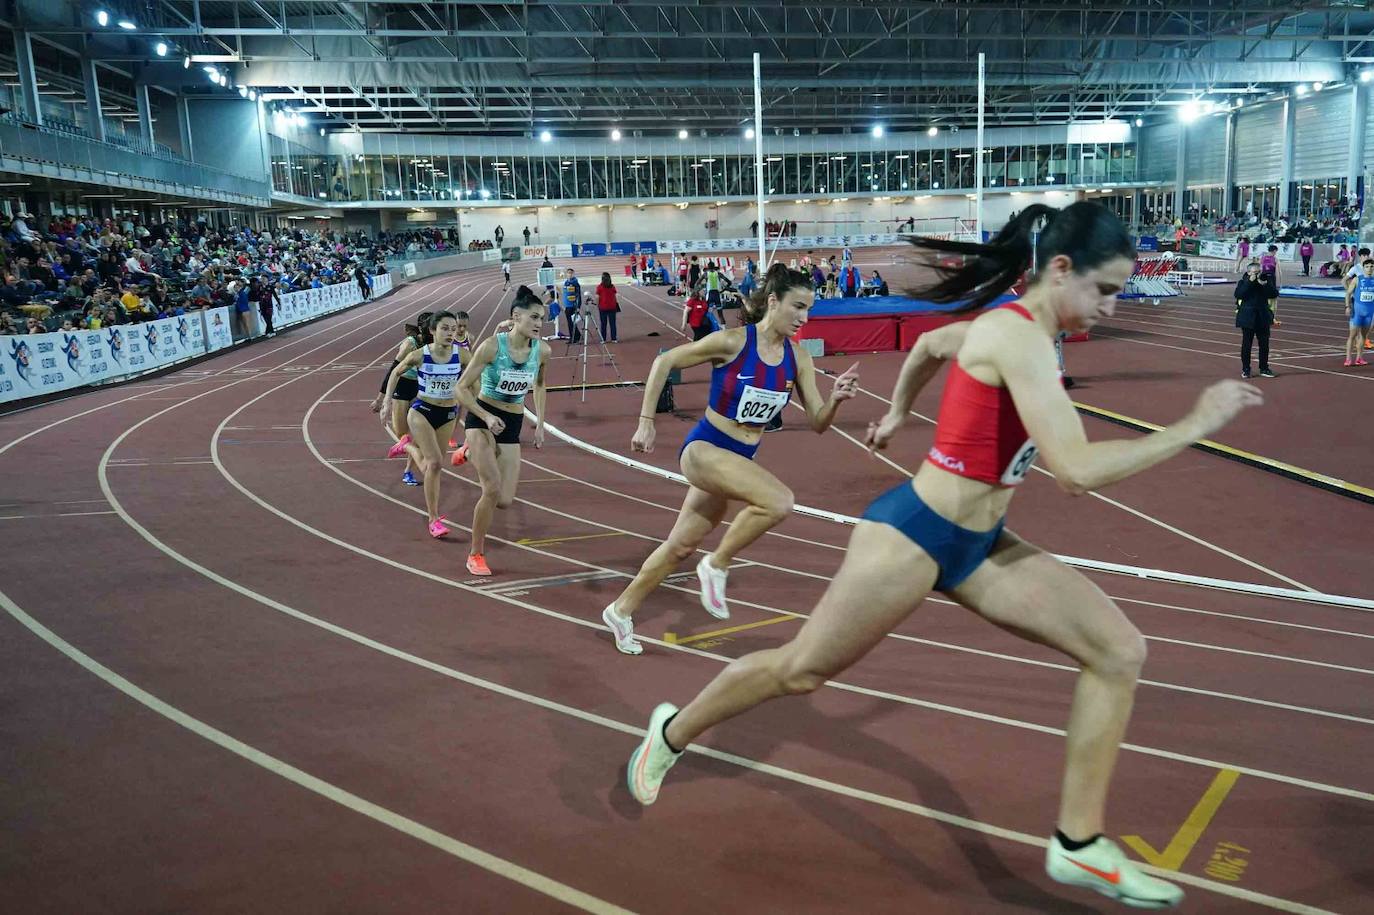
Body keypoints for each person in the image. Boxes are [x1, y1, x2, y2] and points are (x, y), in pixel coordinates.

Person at [621, 202, 1263, 911]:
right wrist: (1193, 424)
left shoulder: (1018, 334)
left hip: (980, 545)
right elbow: (1075, 469)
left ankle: (1078, 844)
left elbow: (928, 349)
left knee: (1118, 650)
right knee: (797, 671)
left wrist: (898, 411)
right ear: (1059, 270)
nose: (1111, 307)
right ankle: (671, 732)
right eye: (1104, 289)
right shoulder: (1016, 338)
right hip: (913, 535)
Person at [600, 263, 860, 654]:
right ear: (774, 301)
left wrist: (836, 399)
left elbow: (819, 423)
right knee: (778, 501)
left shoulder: (798, 358)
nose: (804, 318)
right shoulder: (733, 341)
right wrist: (645, 423)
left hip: (738, 458)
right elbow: (663, 362)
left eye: (810, 310)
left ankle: (621, 610)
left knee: (680, 547)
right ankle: (717, 564)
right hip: (704, 449)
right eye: (798, 307)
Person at [453, 289, 549, 576]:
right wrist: (485, 415)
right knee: (491, 488)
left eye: (542, 319)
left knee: (505, 501)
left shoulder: (543, 351)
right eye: (533, 317)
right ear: (515, 317)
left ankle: (469, 453)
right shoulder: (492, 347)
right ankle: (475, 554)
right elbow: (460, 388)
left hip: (513, 422)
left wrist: (541, 422)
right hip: (482, 418)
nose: (539, 324)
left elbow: (541, 385)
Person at [381, 311, 467, 538]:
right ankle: (433, 519)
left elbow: (479, 371)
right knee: (436, 463)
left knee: (432, 467)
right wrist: (387, 401)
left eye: (453, 328)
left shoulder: (462, 355)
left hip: (448, 413)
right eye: (445, 329)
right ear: (433, 331)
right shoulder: (420, 354)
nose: (451, 333)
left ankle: (406, 445)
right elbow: (395, 373)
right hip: (422, 412)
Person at [372, 311, 432, 485]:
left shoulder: (436, 342)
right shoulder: (410, 344)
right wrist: (381, 399)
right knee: (402, 434)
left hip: (420, 387)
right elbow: (393, 371)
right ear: (422, 328)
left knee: (419, 435)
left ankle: (408, 472)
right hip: (402, 386)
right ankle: (403, 446)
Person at [1234, 262, 1277, 378]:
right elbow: (1239, 294)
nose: (1258, 275)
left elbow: (1274, 294)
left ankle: (1264, 368)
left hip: (1262, 316)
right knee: (1247, 344)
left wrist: (1264, 284)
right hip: (1247, 317)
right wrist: (1250, 282)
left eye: (1259, 272)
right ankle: (1246, 369)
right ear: (1248, 272)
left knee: (1264, 344)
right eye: (1255, 272)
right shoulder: (1243, 282)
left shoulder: (1265, 281)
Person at [1345, 258, 1374, 367]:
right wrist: (1347, 306)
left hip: (1369, 313)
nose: (1369, 269)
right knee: (1352, 336)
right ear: (1364, 268)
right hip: (1357, 313)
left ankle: (1359, 358)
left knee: (1363, 336)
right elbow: (1348, 294)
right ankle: (1348, 358)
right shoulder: (1357, 279)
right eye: (1367, 267)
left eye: (1372, 267)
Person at [1258, 245, 1281, 326]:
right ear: (1274, 251)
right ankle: (1272, 318)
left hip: (1263, 280)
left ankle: (1263, 317)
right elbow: (1278, 272)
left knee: (1264, 300)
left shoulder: (1262, 258)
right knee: (1274, 301)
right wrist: (1280, 283)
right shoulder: (1275, 259)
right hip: (1271, 280)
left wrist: (1259, 281)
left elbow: (1259, 270)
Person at [595, 271, 621, 342]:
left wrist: (597, 304)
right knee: (612, 324)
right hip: (612, 307)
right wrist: (616, 303)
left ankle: (603, 339)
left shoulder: (599, 287)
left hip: (603, 307)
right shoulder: (612, 286)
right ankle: (614, 338)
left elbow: (597, 297)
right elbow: (616, 295)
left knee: (603, 324)